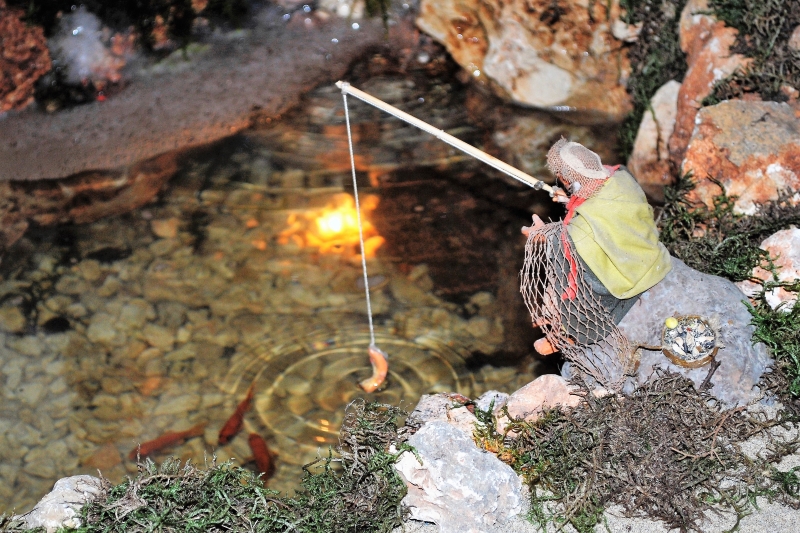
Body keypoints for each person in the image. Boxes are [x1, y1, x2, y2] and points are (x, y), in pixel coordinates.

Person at [521, 139, 671, 357]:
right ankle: (552, 314)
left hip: (628, 271)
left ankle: (569, 333)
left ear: (566, 178)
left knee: (575, 277)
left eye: (562, 179)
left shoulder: (587, 221)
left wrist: (542, 235)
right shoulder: (619, 177)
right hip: (645, 252)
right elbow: (599, 208)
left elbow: (573, 245)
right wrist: (570, 199)